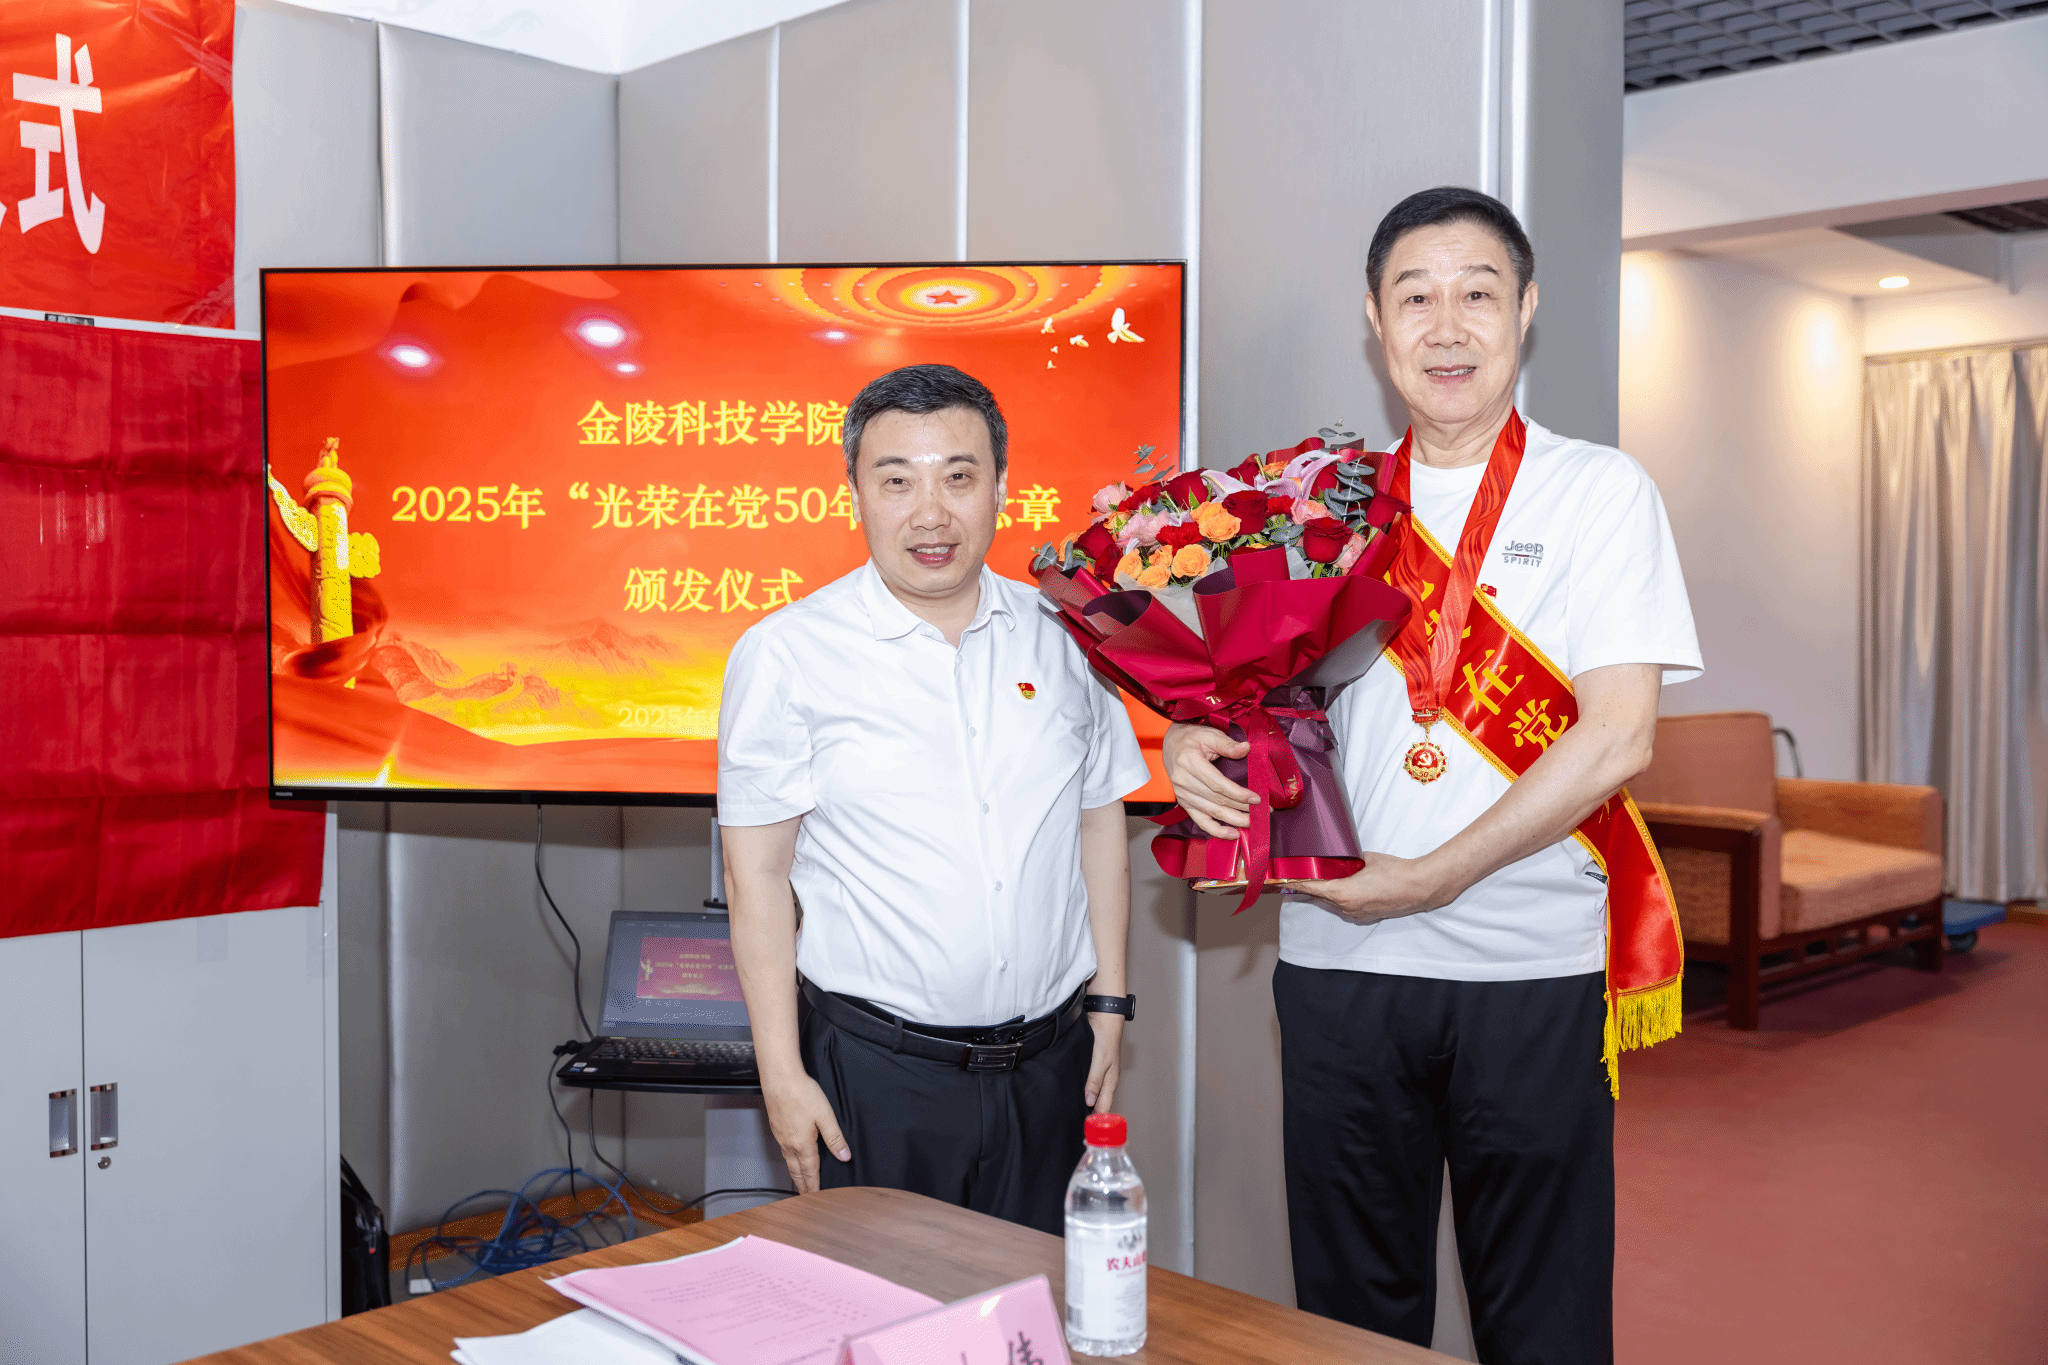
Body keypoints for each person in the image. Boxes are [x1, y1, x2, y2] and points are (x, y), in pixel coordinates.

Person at [1164, 187, 1701, 1364]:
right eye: (1415, 297)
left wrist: (1434, 876)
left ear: (1525, 309)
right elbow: (1256, 705)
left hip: (1528, 968)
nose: (1445, 326)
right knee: (1348, 1316)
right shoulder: (1317, 508)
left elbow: (1618, 737)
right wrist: (1192, 743)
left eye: (1476, 294)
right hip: (1338, 967)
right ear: (1374, 319)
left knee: (1544, 1319)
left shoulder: (1597, 491)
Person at [717, 362, 1150, 1235]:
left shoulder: (1066, 637)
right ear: (855, 494)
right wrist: (780, 1072)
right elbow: (754, 874)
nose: (930, 513)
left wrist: (1109, 1003)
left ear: (1001, 487)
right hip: (877, 1075)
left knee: (1036, 1300)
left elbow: (1098, 820)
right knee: (880, 1304)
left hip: (1050, 1065)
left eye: (958, 476)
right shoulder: (787, 654)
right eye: (896, 480)